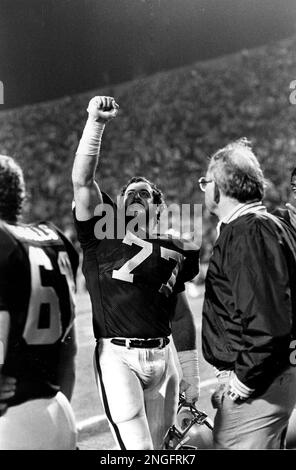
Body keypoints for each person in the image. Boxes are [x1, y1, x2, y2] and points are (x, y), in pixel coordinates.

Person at [72, 96, 200, 450]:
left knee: (160, 450)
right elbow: (83, 181)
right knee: (138, 452)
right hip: (118, 356)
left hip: (164, 358)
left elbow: (179, 310)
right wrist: (96, 124)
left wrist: (190, 370)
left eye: (144, 194)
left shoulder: (177, 246)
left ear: (159, 206)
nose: (134, 197)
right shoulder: (103, 231)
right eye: (129, 194)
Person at [199, 138, 296, 450]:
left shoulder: (247, 231)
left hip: (263, 380)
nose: (203, 189)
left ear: (219, 187)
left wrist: (241, 382)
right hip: (277, 373)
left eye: (205, 181)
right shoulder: (269, 224)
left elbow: (265, 325)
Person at [0, 155, 79, 450]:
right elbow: (69, 349)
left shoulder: (2, 241)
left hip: (10, 419)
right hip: (58, 410)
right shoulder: (54, 238)